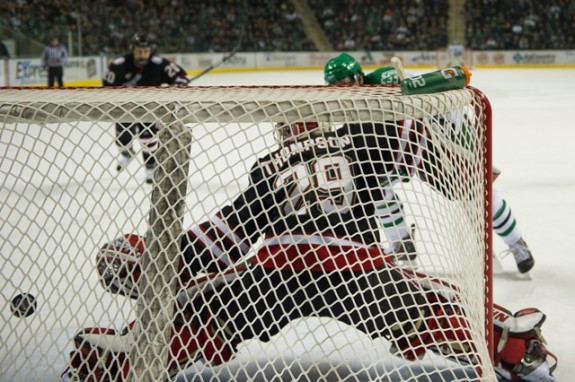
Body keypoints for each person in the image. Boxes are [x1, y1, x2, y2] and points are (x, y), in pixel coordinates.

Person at [61, 117, 556, 381]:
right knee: (430, 305)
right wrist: (462, 165)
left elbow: (224, 238)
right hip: (357, 268)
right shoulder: (363, 135)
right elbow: (416, 145)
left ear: (285, 132)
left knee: (203, 308)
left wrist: (162, 261)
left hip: (276, 270)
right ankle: (507, 342)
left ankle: (127, 354)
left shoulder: (267, 165)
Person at [323, 53, 535, 274]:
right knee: (372, 185)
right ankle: (402, 242)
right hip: (395, 154)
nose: (342, 90)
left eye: (345, 83)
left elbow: (430, 89)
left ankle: (517, 243)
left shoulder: (385, 77)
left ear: (358, 77)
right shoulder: (345, 107)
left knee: (475, 192)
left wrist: (455, 131)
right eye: (335, 86)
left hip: (429, 146)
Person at [102, 32, 189, 184]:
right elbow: (106, 83)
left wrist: (179, 83)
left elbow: (181, 76)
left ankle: (150, 168)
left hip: (150, 109)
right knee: (122, 138)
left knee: (148, 139)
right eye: (139, 51)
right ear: (132, 49)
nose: (143, 54)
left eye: (146, 51)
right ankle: (127, 153)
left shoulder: (158, 63)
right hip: (125, 108)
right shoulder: (120, 65)